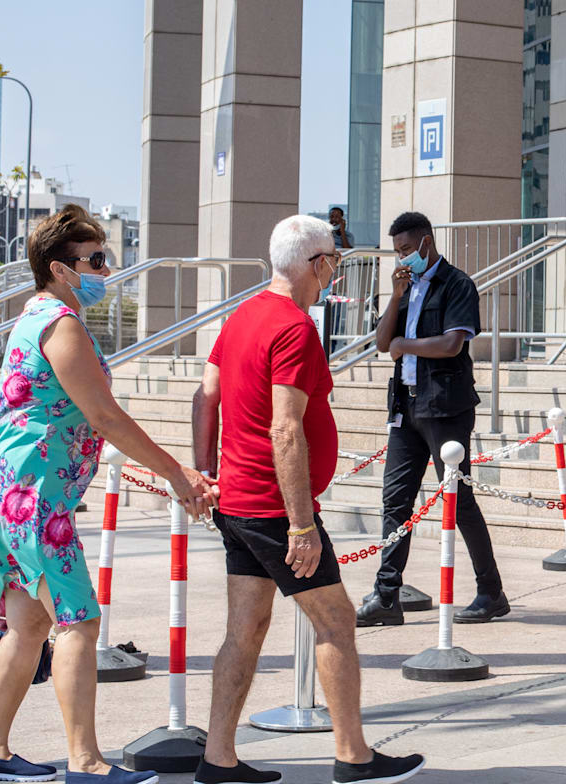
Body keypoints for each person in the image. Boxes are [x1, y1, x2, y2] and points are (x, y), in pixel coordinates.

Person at [0, 205, 214, 784]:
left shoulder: (33, 315)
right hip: (36, 502)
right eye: (96, 260)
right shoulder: (61, 324)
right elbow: (104, 415)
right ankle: (86, 763)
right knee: (78, 622)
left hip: (11, 494)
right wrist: (178, 474)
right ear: (61, 268)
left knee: (29, 626)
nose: (108, 269)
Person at [190, 215, 425, 784]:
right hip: (273, 507)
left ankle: (218, 759)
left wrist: (206, 472)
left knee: (244, 629)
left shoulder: (241, 315)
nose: (334, 271)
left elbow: (207, 396)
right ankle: (353, 756)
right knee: (337, 621)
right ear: (317, 264)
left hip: (238, 500)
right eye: (335, 261)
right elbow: (286, 430)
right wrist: (301, 524)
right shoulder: (294, 327)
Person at [355, 211, 505, 626]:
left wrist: (407, 343)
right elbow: (385, 343)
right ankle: (387, 595)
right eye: (397, 252)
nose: (403, 258)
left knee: (459, 503)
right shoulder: (407, 288)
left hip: (445, 407)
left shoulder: (457, 284)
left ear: (426, 243)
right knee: (395, 501)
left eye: (407, 249)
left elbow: (452, 344)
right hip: (406, 406)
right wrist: (395, 297)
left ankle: (491, 592)